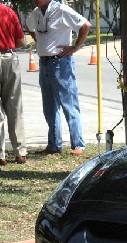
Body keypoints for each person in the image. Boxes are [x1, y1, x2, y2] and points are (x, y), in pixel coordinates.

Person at [26, 0, 91, 156]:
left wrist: (75, 47)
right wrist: (40, 42)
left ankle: (78, 144)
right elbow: (30, 28)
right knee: (49, 106)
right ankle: (54, 145)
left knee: (69, 104)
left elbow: (85, 25)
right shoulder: (36, 13)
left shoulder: (61, 9)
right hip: (44, 63)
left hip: (60, 62)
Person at [0, 2, 27, 166]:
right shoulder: (8, 12)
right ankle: (20, 152)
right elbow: (21, 41)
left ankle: (1, 155)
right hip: (10, 58)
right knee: (14, 105)